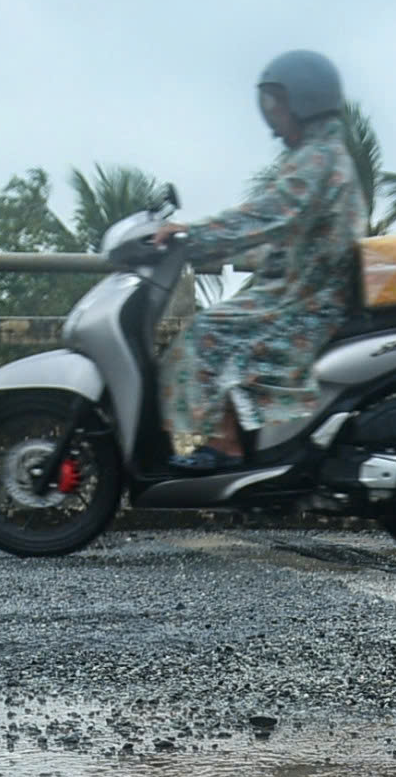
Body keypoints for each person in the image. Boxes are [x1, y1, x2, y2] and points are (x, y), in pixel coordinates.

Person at [151, 50, 370, 471]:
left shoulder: (318, 159)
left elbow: (267, 215)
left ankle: (224, 447)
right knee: (221, 324)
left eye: (277, 103)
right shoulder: (317, 153)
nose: (272, 115)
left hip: (309, 302)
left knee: (206, 333)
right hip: (300, 291)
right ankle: (234, 441)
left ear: (305, 101)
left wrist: (192, 236)